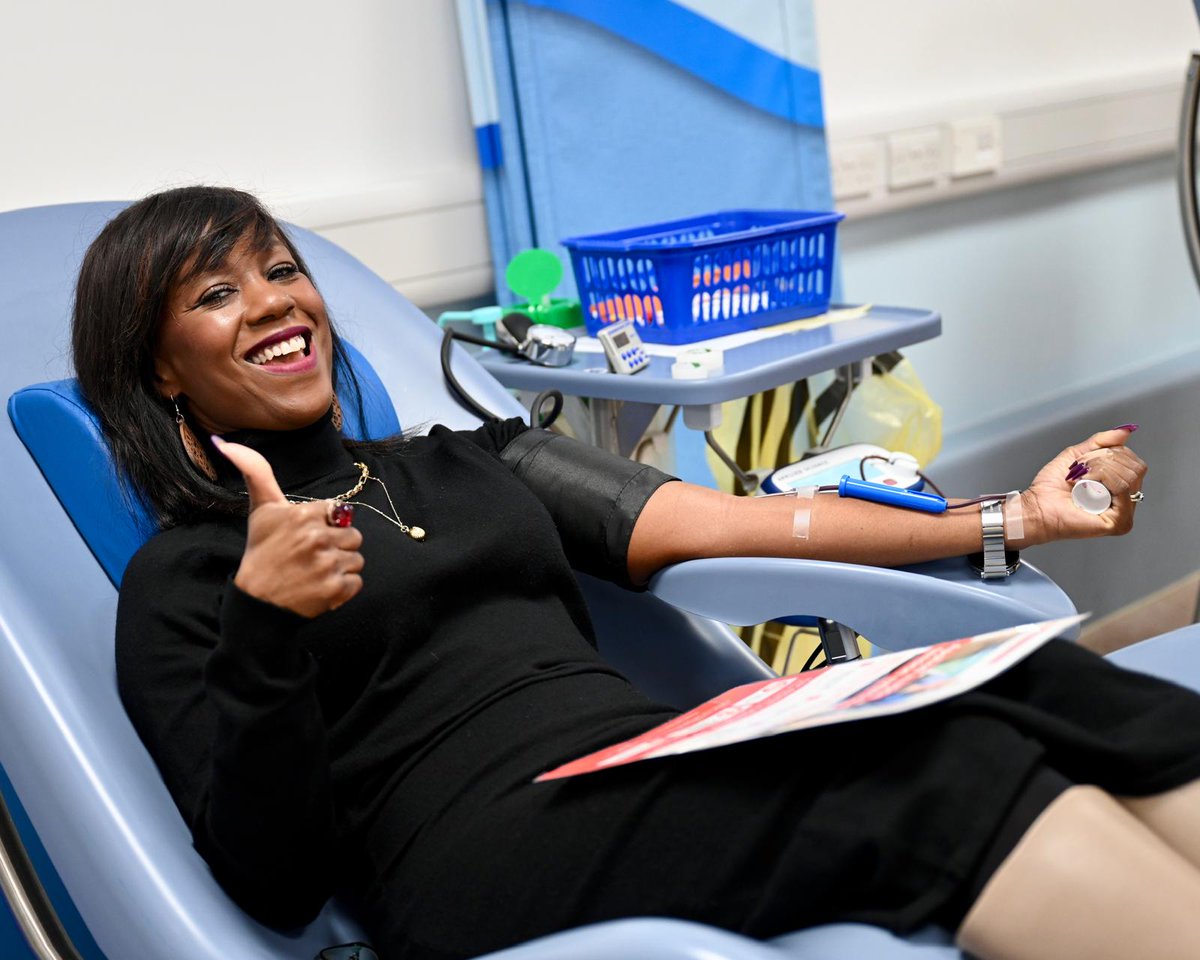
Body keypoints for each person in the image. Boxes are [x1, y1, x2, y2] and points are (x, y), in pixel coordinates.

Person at [72, 186, 1200, 960]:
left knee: (1021, 679)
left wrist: (1014, 518)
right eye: (215, 293)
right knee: (941, 774)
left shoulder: (473, 457)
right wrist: (263, 630)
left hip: (641, 757)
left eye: (279, 268)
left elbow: (742, 524)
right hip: (473, 854)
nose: (272, 299)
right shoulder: (190, 578)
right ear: (159, 370)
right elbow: (273, 877)